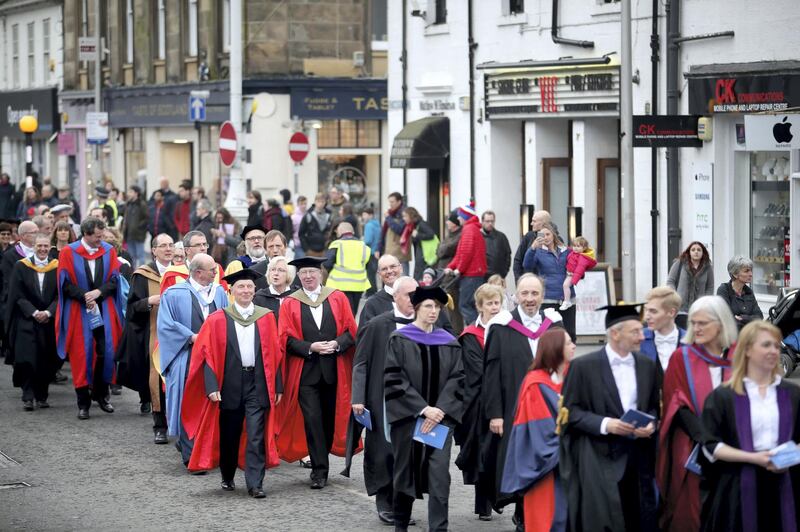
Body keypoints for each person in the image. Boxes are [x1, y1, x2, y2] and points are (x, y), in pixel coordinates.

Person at [181, 268, 282, 498]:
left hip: (258, 382)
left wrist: (278, 385)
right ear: (231, 291)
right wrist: (211, 386)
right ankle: (227, 475)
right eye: (241, 287)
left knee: (256, 434)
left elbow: (275, 354)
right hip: (229, 384)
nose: (245, 290)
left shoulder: (266, 317)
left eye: (249, 287)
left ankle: (255, 484)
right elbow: (206, 355)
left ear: (255, 290)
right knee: (230, 434)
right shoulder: (218, 319)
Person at [559, 303, 659, 532]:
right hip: (598, 459)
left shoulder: (647, 366)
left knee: (640, 520)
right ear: (615, 333)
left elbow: (654, 408)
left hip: (639, 459)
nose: (642, 337)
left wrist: (651, 425)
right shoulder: (583, 367)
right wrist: (606, 424)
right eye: (635, 331)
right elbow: (569, 413)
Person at [701, 320, 800, 531]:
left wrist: (791, 456)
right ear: (746, 349)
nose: (774, 350)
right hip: (737, 487)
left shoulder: (792, 394)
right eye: (766, 345)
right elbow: (710, 445)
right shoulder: (723, 396)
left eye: (776, 345)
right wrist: (753, 457)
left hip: (786, 484)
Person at [480, 274, 562, 524]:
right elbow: (491, 374)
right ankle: (521, 510)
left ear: (542, 296)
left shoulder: (555, 325)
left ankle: (538, 510)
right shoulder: (501, 326)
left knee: (546, 460)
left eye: (534, 294)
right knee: (516, 461)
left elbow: (565, 367)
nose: (529, 299)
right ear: (516, 296)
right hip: (513, 410)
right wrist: (495, 413)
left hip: (548, 411)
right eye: (525, 294)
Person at [384, 286, 465, 532]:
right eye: (429, 306)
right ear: (417, 308)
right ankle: (401, 525)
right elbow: (394, 379)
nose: (434, 311)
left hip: (441, 422)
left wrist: (439, 410)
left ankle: (439, 528)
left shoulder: (449, 343)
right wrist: (423, 409)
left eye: (437, 307)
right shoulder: (399, 339)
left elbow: (458, 379)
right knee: (405, 473)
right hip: (408, 420)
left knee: (440, 476)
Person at [657, 295, 739, 532]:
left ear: (721, 323)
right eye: (693, 323)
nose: (696, 328)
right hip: (693, 445)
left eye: (703, 323)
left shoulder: (740, 357)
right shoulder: (681, 357)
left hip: (736, 445)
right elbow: (676, 404)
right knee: (691, 511)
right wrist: (707, 439)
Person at [275, 256, 357, 489]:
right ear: (298, 277)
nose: (308, 277)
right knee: (312, 420)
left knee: (329, 421)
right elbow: (285, 340)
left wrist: (337, 343)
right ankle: (320, 471)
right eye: (303, 273)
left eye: (312, 272)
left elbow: (352, 332)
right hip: (306, 374)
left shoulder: (337, 297)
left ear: (320, 274)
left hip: (334, 372)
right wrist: (309, 347)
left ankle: (323, 459)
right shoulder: (291, 303)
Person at [346, 276, 420, 526]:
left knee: (409, 452)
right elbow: (361, 362)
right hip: (383, 398)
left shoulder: (425, 323)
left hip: (415, 400)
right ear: (395, 297)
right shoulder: (377, 325)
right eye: (409, 295)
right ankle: (385, 502)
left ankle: (403, 503)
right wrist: (358, 397)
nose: (414, 300)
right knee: (383, 452)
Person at [157, 253, 228, 467]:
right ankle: (190, 455)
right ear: (198, 272)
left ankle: (210, 449)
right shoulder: (174, 293)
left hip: (214, 356)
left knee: (213, 401)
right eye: (212, 270)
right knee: (187, 401)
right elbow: (166, 324)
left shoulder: (220, 293)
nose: (216, 273)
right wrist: (192, 337)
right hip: (187, 354)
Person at [502, 329, 576, 532]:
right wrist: (571, 445)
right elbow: (538, 431)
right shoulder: (535, 383)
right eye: (569, 343)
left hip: (574, 465)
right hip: (545, 468)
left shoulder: (576, 376)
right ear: (556, 349)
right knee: (547, 519)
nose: (574, 346)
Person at [56, 217, 126, 420]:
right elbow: (64, 284)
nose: (101, 240)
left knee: (107, 352)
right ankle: (83, 403)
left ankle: (101, 395)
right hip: (79, 310)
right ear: (86, 234)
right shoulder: (69, 252)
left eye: (102, 235)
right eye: (97, 236)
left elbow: (114, 280)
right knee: (81, 354)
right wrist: (84, 296)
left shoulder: (108, 251)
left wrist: (98, 293)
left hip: (103, 307)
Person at [115, 233, 174, 444]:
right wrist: (149, 300)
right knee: (156, 379)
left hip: (179, 335)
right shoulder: (142, 275)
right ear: (154, 250)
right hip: (154, 334)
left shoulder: (182, 272)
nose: (168, 249)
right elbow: (131, 308)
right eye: (163, 246)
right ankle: (159, 425)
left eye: (171, 245)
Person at [455, 283, 504, 521]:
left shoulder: (508, 330)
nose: (494, 308)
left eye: (497, 303)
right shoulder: (470, 337)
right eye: (489, 303)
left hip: (504, 402)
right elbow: (478, 373)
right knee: (482, 454)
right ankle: (484, 503)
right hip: (478, 404)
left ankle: (499, 495)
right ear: (479, 306)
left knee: (502, 452)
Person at [6, 233, 59, 411]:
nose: (43, 249)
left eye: (46, 246)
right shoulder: (21, 266)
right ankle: (28, 396)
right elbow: (16, 295)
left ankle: (42, 395)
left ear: (50, 247)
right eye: (39, 246)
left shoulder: (57, 267)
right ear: (33, 247)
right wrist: (34, 312)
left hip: (49, 321)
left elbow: (60, 295)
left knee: (46, 358)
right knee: (26, 358)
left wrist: (48, 312)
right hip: (26, 319)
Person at [522, 221, 576, 340]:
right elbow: (527, 265)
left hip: (567, 298)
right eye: (542, 235)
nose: (545, 237)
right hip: (548, 298)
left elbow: (577, 265)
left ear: (553, 235)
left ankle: (568, 357)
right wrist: (532, 248)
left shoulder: (566, 250)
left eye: (548, 234)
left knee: (570, 332)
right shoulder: (538, 252)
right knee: (551, 334)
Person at [444, 201, 487, 326]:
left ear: (465, 217)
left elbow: (466, 252)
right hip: (473, 273)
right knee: (471, 304)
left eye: (459, 215)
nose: (457, 218)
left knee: (465, 305)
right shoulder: (471, 229)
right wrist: (451, 266)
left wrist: (459, 269)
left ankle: (476, 329)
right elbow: (461, 252)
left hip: (471, 275)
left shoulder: (469, 230)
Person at [324, 222, 372, 315]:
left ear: (340, 231)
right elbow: (368, 264)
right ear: (353, 232)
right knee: (352, 314)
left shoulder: (337, 244)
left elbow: (327, 263)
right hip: (359, 285)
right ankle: (351, 329)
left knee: (340, 314)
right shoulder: (363, 245)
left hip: (339, 285)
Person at [667, 241, 715, 329]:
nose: (696, 252)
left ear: (703, 252)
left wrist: (705, 301)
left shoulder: (708, 267)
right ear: (689, 252)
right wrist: (675, 296)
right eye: (693, 250)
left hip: (699, 308)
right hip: (680, 308)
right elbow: (670, 281)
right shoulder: (679, 263)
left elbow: (710, 287)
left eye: (699, 250)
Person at [640, 285, 685, 379]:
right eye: (646, 310)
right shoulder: (639, 339)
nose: (646, 317)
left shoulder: (690, 342)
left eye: (653, 311)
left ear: (671, 313)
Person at [160, 231, 227, 293]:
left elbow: (224, 297)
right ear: (187, 250)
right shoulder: (172, 273)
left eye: (204, 244)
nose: (203, 248)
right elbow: (166, 302)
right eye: (198, 245)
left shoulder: (217, 269)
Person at [717, 255, 763, 330]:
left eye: (751, 270)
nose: (751, 274)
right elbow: (725, 318)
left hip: (748, 335)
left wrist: (743, 318)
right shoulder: (724, 290)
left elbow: (759, 317)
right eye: (746, 271)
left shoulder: (749, 292)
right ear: (735, 274)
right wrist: (750, 320)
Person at [358, 254, 402, 329]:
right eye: (384, 269)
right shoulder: (372, 304)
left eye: (393, 266)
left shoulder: (414, 296)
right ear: (379, 274)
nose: (389, 271)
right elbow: (363, 336)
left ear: (401, 268)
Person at [437, 210, 463, 332]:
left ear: (454, 222)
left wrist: (442, 249)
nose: (447, 222)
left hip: (452, 276)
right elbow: (439, 250)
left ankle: (456, 331)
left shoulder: (460, 235)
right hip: (444, 275)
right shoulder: (450, 235)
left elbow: (446, 249)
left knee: (454, 305)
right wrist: (442, 249)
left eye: (449, 220)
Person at [513, 210, 553, 282]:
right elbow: (518, 260)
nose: (531, 224)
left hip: (548, 284)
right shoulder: (529, 236)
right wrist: (519, 280)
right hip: (528, 281)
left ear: (543, 223)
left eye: (534, 221)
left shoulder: (556, 240)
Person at [560, 236, 597, 311]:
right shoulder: (573, 252)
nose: (575, 248)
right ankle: (567, 300)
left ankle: (567, 301)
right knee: (566, 286)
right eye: (574, 246)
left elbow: (580, 269)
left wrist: (574, 280)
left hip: (572, 275)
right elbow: (568, 249)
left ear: (584, 248)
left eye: (578, 246)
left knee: (565, 285)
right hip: (569, 273)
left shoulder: (583, 258)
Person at [400, 206, 436, 280]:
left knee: (420, 275)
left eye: (405, 216)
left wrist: (417, 235)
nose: (404, 218)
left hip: (424, 255)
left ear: (411, 216)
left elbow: (431, 234)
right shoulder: (412, 226)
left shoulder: (421, 224)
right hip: (420, 254)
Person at [381, 192, 410, 272]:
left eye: (392, 202)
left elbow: (399, 230)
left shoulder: (404, 213)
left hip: (400, 252)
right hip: (391, 251)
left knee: (402, 279)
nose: (390, 204)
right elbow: (383, 233)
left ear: (399, 201)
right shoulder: (391, 213)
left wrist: (388, 218)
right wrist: (379, 248)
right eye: (389, 202)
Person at [120, 186, 148, 267]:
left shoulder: (142, 204)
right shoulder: (128, 204)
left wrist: (139, 227)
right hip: (129, 234)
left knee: (141, 256)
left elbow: (146, 219)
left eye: (131, 192)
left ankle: (142, 273)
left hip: (139, 235)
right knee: (131, 256)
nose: (129, 194)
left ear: (136, 193)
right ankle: (133, 274)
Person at [481, 210, 511, 280]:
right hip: (481, 277)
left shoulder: (501, 237)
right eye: (487, 221)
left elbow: (507, 255)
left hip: (497, 276)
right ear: (482, 222)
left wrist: (504, 273)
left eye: (492, 221)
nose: (490, 223)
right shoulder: (478, 236)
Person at [298, 193, 331, 258]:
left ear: (325, 202)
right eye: (318, 201)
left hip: (324, 250)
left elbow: (330, 232)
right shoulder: (308, 215)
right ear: (315, 201)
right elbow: (301, 234)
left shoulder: (328, 215)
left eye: (322, 202)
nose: (320, 204)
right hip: (311, 250)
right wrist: (306, 249)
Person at [361, 207, 381, 297]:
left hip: (369, 252)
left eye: (365, 215)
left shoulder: (368, 225)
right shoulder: (378, 224)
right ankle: (374, 290)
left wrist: (362, 242)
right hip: (376, 251)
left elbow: (368, 240)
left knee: (370, 274)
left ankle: (370, 292)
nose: (363, 217)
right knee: (373, 273)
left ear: (370, 215)